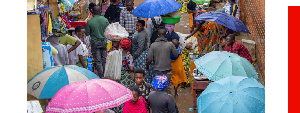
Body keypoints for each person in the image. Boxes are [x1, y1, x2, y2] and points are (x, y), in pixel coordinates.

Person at [146, 29, 178, 94]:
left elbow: (149, 58)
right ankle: (167, 101)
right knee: (167, 87)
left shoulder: (153, 45)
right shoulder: (170, 44)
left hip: (157, 71)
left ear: (158, 35)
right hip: (167, 70)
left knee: (157, 88)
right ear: (165, 35)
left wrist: (147, 66)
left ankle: (158, 102)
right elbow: (176, 55)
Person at [86, 6, 110, 78]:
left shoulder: (90, 21)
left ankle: (101, 76)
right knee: (104, 59)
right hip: (104, 42)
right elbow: (108, 31)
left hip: (95, 42)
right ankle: (104, 74)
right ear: (100, 11)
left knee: (98, 61)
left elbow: (87, 33)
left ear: (92, 11)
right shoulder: (105, 20)